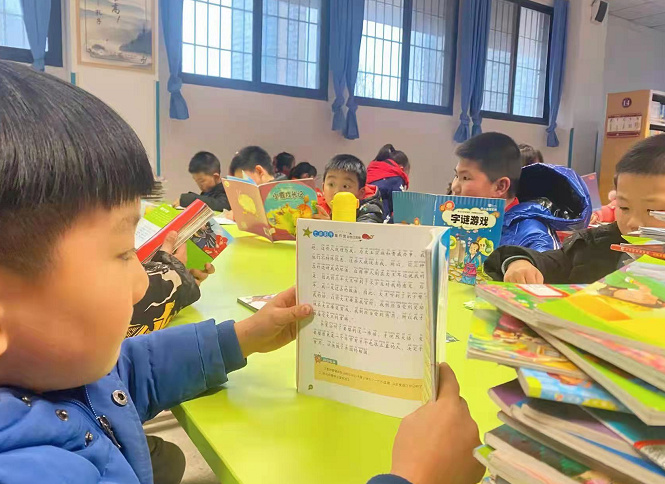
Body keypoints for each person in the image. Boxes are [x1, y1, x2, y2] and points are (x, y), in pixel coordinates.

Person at [0, 62, 485, 484]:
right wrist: (414, 478)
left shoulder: (51, 368)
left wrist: (243, 337)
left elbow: (129, 371)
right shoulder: (32, 469)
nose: (143, 281)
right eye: (123, 253)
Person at [485, 135, 665, 284]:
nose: (633, 222)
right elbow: (551, 262)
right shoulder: (592, 246)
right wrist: (520, 262)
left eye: (653, 210)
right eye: (624, 207)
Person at [452, 132, 591, 252]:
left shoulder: (534, 236)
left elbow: (543, 271)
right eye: (456, 176)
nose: (455, 187)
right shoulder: (460, 219)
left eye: (465, 178)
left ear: (500, 187)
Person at [315, 154, 385, 223]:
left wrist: (328, 226)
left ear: (361, 193)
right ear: (323, 188)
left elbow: (365, 229)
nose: (337, 192)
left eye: (345, 186)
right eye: (331, 184)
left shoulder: (370, 209)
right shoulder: (317, 207)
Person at [367, 144, 410, 221]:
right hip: (381, 221)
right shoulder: (396, 179)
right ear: (402, 169)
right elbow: (400, 207)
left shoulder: (370, 174)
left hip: (363, 217)